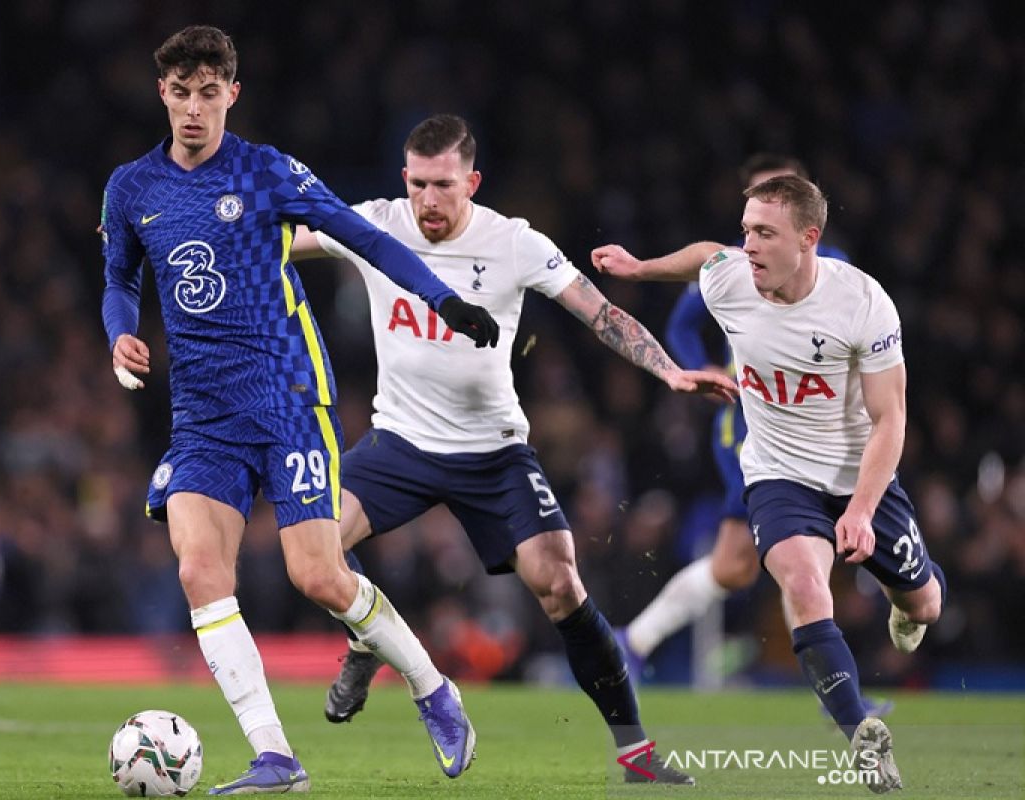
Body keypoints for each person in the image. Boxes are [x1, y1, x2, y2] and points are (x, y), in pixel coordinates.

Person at [101, 28, 501, 794]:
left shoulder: (266, 171)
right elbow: (118, 278)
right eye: (180, 92)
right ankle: (275, 756)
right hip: (204, 416)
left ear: (232, 95)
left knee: (318, 575)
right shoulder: (131, 188)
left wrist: (445, 299)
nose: (193, 108)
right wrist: (121, 335)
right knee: (198, 569)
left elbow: (365, 237)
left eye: (208, 92)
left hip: (287, 398)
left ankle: (433, 690)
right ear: (163, 94)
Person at [291, 114, 737, 785]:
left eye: (442, 185)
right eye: (417, 184)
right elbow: (275, 243)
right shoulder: (376, 222)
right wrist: (166, 231)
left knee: (559, 584)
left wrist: (669, 371)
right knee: (312, 545)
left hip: (493, 453)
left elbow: (600, 314)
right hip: (400, 443)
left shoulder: (513, 242)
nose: (428, 202)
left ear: (472, 180)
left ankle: (636, 752)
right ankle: (370, 638)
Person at [592, 174, 946, 793]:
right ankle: (861, 733)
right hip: (777, 474)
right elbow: (705, 255)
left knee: (925, 603)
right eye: (747, 229)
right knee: (806, 587)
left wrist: (862, 510)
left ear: (809, 238)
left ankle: (906, 602)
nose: (748, 246)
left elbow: (891, 419)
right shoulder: (731, 279)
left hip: (859, 476)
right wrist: (640, 268)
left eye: (765, 233)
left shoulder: (862, 302)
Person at [615, 155, 891, 721]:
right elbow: (682, 322)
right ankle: (836, 697)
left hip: (816, 433)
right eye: (753, 222)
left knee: (740, 564)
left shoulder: (838, 274)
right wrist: (700, 370)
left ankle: (633, 642)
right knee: (790, 559)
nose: (756, 236)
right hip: (748, 430)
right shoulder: (738, 271)